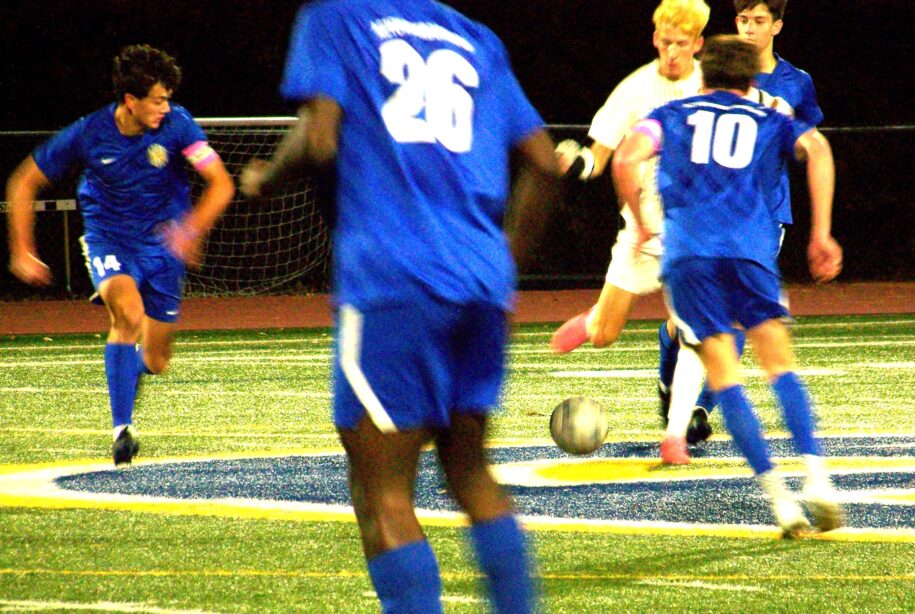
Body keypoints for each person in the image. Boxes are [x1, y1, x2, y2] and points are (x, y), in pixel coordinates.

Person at [238, 1, 560, 612]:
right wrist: (497, 266)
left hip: (394, 277)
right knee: (470, 473)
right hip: (480, 280)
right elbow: (544, 164)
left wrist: (264, 179)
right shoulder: (476, 35)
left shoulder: (336, 17)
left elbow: (321, 137)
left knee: (382, 491)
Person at [611, 34, 844, 537]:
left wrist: (640, 222)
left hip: (691, 258)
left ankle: (782, 505)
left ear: (703, 74)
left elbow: (626, 159)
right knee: (780, 366)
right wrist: (822, 232)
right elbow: (818, 148)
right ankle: (819, 482)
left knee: (725, 377)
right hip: (750, 253)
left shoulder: (673, 114)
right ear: (748, 79)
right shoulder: (770, 116)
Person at [5, 45, 235, 466]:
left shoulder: (179, 126)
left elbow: (220, 182)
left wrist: (190, 228)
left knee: (157, 360)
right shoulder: (89, 133)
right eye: (158, 99)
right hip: (110, 240)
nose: (166, 107)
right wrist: (21, 249)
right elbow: (23, 182)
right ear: (131, 100)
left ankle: (130, 371)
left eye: (168, 99)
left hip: (164, 248)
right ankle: (122, 432)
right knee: (127, 313)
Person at [548, 0, 712, 465]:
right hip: (640, 232)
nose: (673, 52)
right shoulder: (637, 88)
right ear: (654, 38)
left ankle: (675, 436)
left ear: (698, 44)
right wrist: (575, 163)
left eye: (682, 43)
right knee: (605, 334)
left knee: (694, 334)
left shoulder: (713, 86)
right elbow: (599, 156)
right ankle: (592, 321)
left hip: (695, 234)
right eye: (665, 42)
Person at [683, 0, 826, 447]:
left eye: (759, 20)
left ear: (777, 26)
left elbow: (810, 143)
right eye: (742, 19)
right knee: (683, 320)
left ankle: (701, 407)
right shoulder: (711, 71)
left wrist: (795, 145)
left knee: (739, 315)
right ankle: (677, 381)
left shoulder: (795, 83)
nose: (748, 28)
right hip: (704, 215)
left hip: (763, 213)